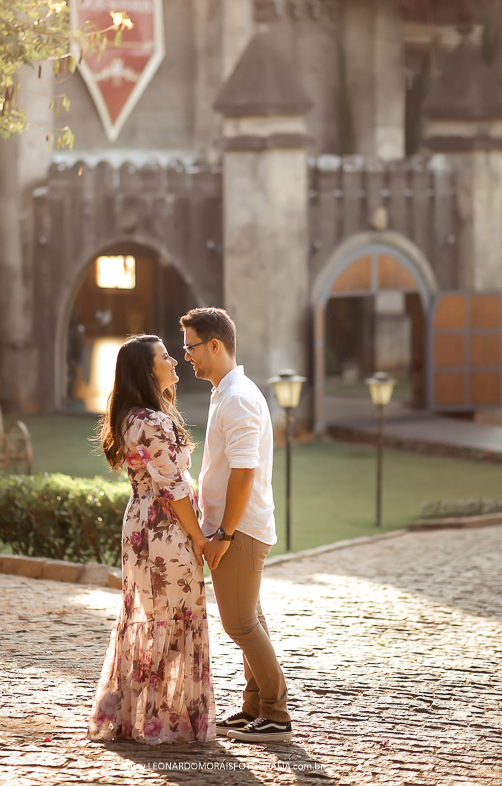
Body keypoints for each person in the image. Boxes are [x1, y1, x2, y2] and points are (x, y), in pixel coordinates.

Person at [87, 334, 216, 745]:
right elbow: (174, 488)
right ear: (147, 369)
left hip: (143, 528)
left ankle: (141, 714)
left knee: (151, 615)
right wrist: (200, 540)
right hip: (165, 532)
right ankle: (159, 717)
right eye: (165, 357)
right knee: (171, 615)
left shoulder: (134, 417)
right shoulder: (151, 421)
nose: (175, 360)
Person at [180, 307, 292, 744]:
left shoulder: (239, 397)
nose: (185, 355)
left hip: (239, 530)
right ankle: (254, 707)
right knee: (251, 619)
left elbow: (244, 473)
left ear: (214, 345)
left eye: (190, 346)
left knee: (240, 623)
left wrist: (223, 534)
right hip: (233, 527)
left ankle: (276, 713)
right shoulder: (226, 392)